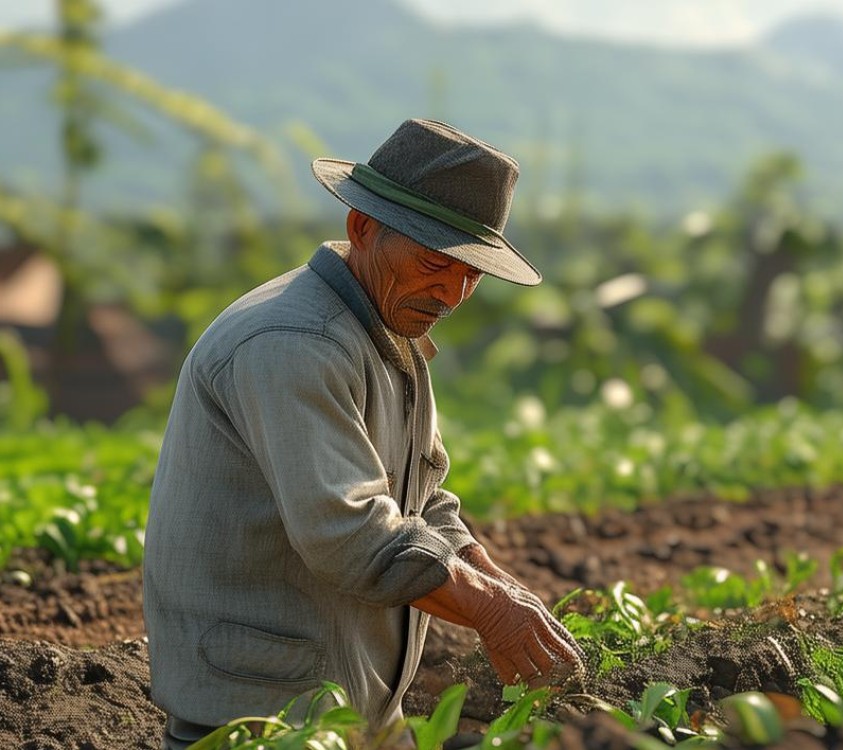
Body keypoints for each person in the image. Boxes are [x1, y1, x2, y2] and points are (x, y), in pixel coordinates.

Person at [142, 119, 583, 749]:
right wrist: (488, 610)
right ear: (362, 228)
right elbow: (350, 534)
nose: (453, 293)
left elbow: (423, 499)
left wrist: (506, 590)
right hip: (265, 719)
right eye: (436, 262)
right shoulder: (295, 345)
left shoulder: (386, 330)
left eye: (471, 272)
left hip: (357, 709)